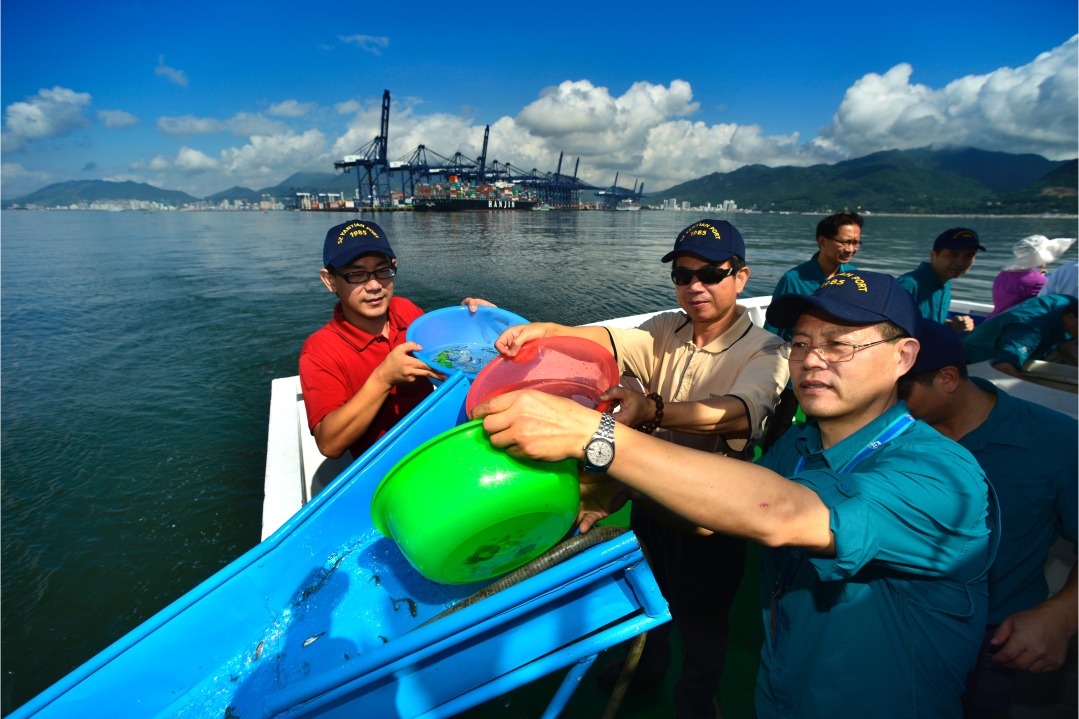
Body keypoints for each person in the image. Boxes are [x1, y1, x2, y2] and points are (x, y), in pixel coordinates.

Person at [474, 270, 997, 719]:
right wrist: (612, 489)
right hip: (782, 693)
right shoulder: (798, 445)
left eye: (840, 344)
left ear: (905, 357)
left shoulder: (942, 478)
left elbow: (782, 513)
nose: (812, 360)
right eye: (802, 343)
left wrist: (597, 438)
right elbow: (719, 517)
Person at [493, 219, 787, 719]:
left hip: (711, 510)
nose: (695, 285)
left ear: (741, 277)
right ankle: (647, 667)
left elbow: (739, 409)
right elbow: (605, 339)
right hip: (649, 492)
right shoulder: (664, 329)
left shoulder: (766, 350)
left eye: (712, 274)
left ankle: (696, 702)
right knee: (646, 588)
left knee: (704, 620)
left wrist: (652, 411)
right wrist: (545, 331)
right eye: (683, 274)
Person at [899, 319, 1077, 719]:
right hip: (881, 629)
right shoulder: (879, 432)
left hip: (985, 643)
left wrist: (1063, 614)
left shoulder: (1057, 441)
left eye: (897, 388)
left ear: (947, 379)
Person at [299, 220, 490, 461]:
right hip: (388, 466)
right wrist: (383, 378)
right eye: (356, 274)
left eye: (382, 271)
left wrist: (470, 320)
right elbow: (329, 444)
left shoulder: (405, 310)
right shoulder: (320, 351)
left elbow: (444, 355)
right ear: (330, 280)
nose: (375, 285)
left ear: (394, 266)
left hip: (439, 442)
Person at [762, 211, 861, 341]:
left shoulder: (854, 277)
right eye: (844, 242)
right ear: (822, 242)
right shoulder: (793, 280)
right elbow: (773, 330)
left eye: (855, 243)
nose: (850, 249)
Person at [962, 294, 1079, 377]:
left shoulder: (1069, 304)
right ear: (1070, 318)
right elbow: (1003, 366)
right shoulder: (1031, 331)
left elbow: (1065, 343)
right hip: (971, 362)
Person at [897, 227, 983, 331]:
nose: (961, 262)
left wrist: (950, 324)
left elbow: (926, 321)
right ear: (933, 255)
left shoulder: (943, 285)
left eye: (969, 256)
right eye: (953, 255)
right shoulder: (909, 284)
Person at [989, 235, 1076, 317]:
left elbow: (1020, 285)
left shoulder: (1004, 274)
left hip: (993, 320)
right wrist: (1046, 278)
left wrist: (1039, 277)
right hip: (1016, 326)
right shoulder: (1038, 281)